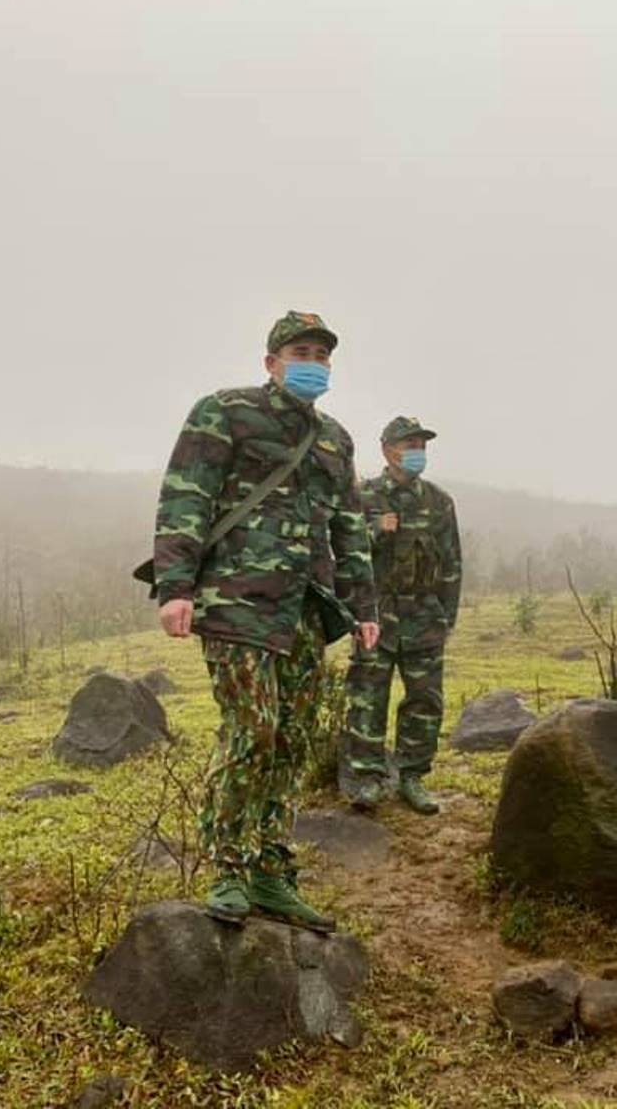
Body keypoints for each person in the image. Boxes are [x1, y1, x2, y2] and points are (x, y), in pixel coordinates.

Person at [153, 311, 380, 930]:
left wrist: (364, 607)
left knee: (292, 740)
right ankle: (228, 866)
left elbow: (348, 527)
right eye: (301, 351)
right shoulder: (223, 412)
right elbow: (186, 496)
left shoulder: (335, 439)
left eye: (323, 354)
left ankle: (272, 873)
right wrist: (176, 588)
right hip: (237, 603)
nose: (314, 362)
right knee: (251, 731)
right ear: (272, 361)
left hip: (307, 611)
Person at [342, 417, 462, 815]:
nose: (416, 452)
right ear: (386, 449)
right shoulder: (365, 497)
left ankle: (412, 776)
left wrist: (447, 616)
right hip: (376, 615)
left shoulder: (440, 502)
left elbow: (452, 564)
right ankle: (369, 778)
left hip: (425, 616)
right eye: (408, 444)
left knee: (425, 700)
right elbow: (343, 553)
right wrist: (376, 530)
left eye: (421, 445)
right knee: (368, 697)